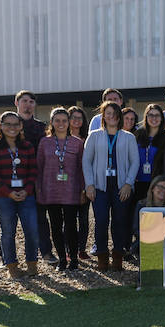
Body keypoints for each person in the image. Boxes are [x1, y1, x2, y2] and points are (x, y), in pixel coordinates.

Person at [82, 101, 139, 271]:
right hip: (99, 187)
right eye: (108, 113)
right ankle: (102, 257)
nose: (111, 116)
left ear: (119, 116)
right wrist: (89, 184)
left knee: (120, 222)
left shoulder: (128, 137)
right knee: (100, 221)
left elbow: (134, 161)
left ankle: (118, 258)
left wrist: (129, 183)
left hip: (121, 187)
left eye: (115, 113)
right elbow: (86, 161)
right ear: (103, 116)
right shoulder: (94, 135)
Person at [0, 112, 39, 279]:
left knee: (32, 231)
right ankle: (12, 267)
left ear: (21, 126)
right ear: (0, 125)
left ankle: (32, 265)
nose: (12, 128)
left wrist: (26, 190)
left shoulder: (27, 146)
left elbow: (33, 171)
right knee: (8, 232)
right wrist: (8, 192)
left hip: (26, 196)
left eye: (16, 124)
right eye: (8, 124)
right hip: (2, 197)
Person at [37, 108, 85, 272]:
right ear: (52, 122)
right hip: (51, 191)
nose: (61, 124)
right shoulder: (45, 142)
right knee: (55, 227)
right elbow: (40, 167)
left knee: (70, 227)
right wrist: (39, 190)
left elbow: (81, 168)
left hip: (71, 191)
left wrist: (83, 190)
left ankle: (74, 260)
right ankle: (62, 260)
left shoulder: (77, 143)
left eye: (64, 120)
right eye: (57, 120)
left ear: (69, 122)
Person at [15, 90, 56, 265]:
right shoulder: (9, 124)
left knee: (40, 219)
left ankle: (46, 252)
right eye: (24, 101)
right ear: (17, 103)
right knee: (9, 222)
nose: (28, 104)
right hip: (12, 179)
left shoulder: (41, 127)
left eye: (31, 101)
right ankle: (7, 257)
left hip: (36, 180)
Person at [133, 104, 165, 203]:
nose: (154, 118)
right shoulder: (137, 135)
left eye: (157, 115)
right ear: (146, 117)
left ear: (162, 118)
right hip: (137, 182)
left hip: (158, 185)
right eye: (151, 115)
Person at [68, 106, 92, 260]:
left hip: (85, 183)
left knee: (83, 219)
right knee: (69, 219)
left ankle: (81, 249)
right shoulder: (61, 137)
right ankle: (70, 250)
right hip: (67, 185)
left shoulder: (88, 138)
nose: (77, 120)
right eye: (73, 117)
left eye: (80, 118)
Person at [131, 175, 165, 258]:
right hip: (146, 242)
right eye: (160, 187)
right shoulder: (142, 205)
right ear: (152, 188)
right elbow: (136, 228)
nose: (163, 190)